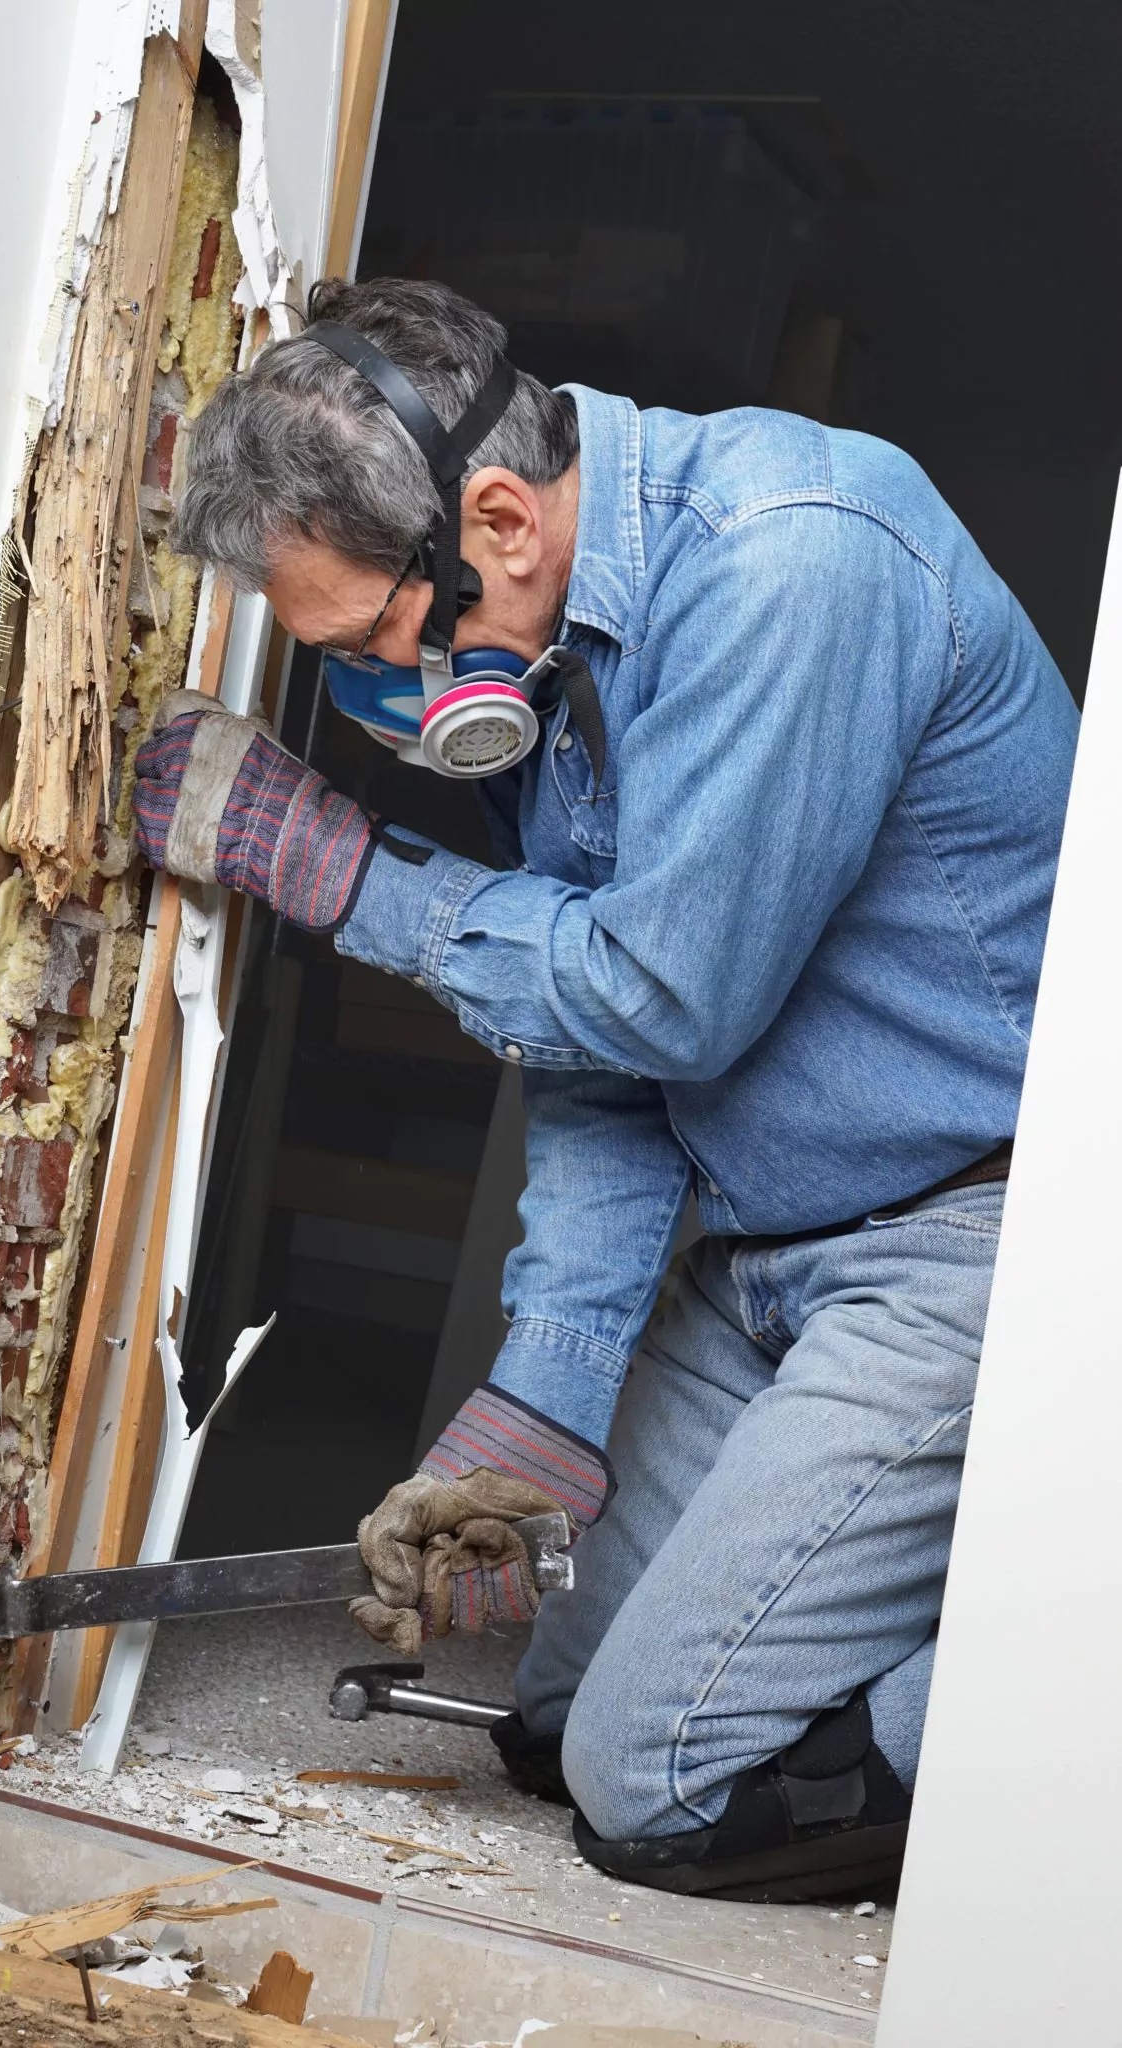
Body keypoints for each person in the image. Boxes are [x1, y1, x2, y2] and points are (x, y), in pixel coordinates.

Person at [133, 276, 1078, 1902]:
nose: (375, 699)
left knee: (656, 1787)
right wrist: (552, 1388)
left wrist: (356, 880)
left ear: (495, 517)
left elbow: (663, 1000)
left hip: (977, 1249)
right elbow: (593, 1050)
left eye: (370, 642)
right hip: (771, 1252)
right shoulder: (548, 643)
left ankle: (1057, 1661)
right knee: (555, 1717)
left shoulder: (798, 562)